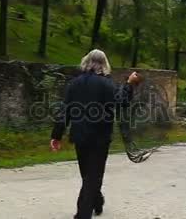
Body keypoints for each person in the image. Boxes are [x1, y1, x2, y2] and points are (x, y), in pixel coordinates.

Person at [50, 49, 142, 219]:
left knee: (88, 174)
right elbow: (121, 102)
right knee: (92, 176)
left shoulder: (74, 84)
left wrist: (56, 135)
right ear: (104, 65)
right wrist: (129, 84)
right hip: (100, 138)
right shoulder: (107, 85)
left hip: (80, 137)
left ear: (86, 62)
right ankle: (84, 213)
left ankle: (96, 202)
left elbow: (64, 111)